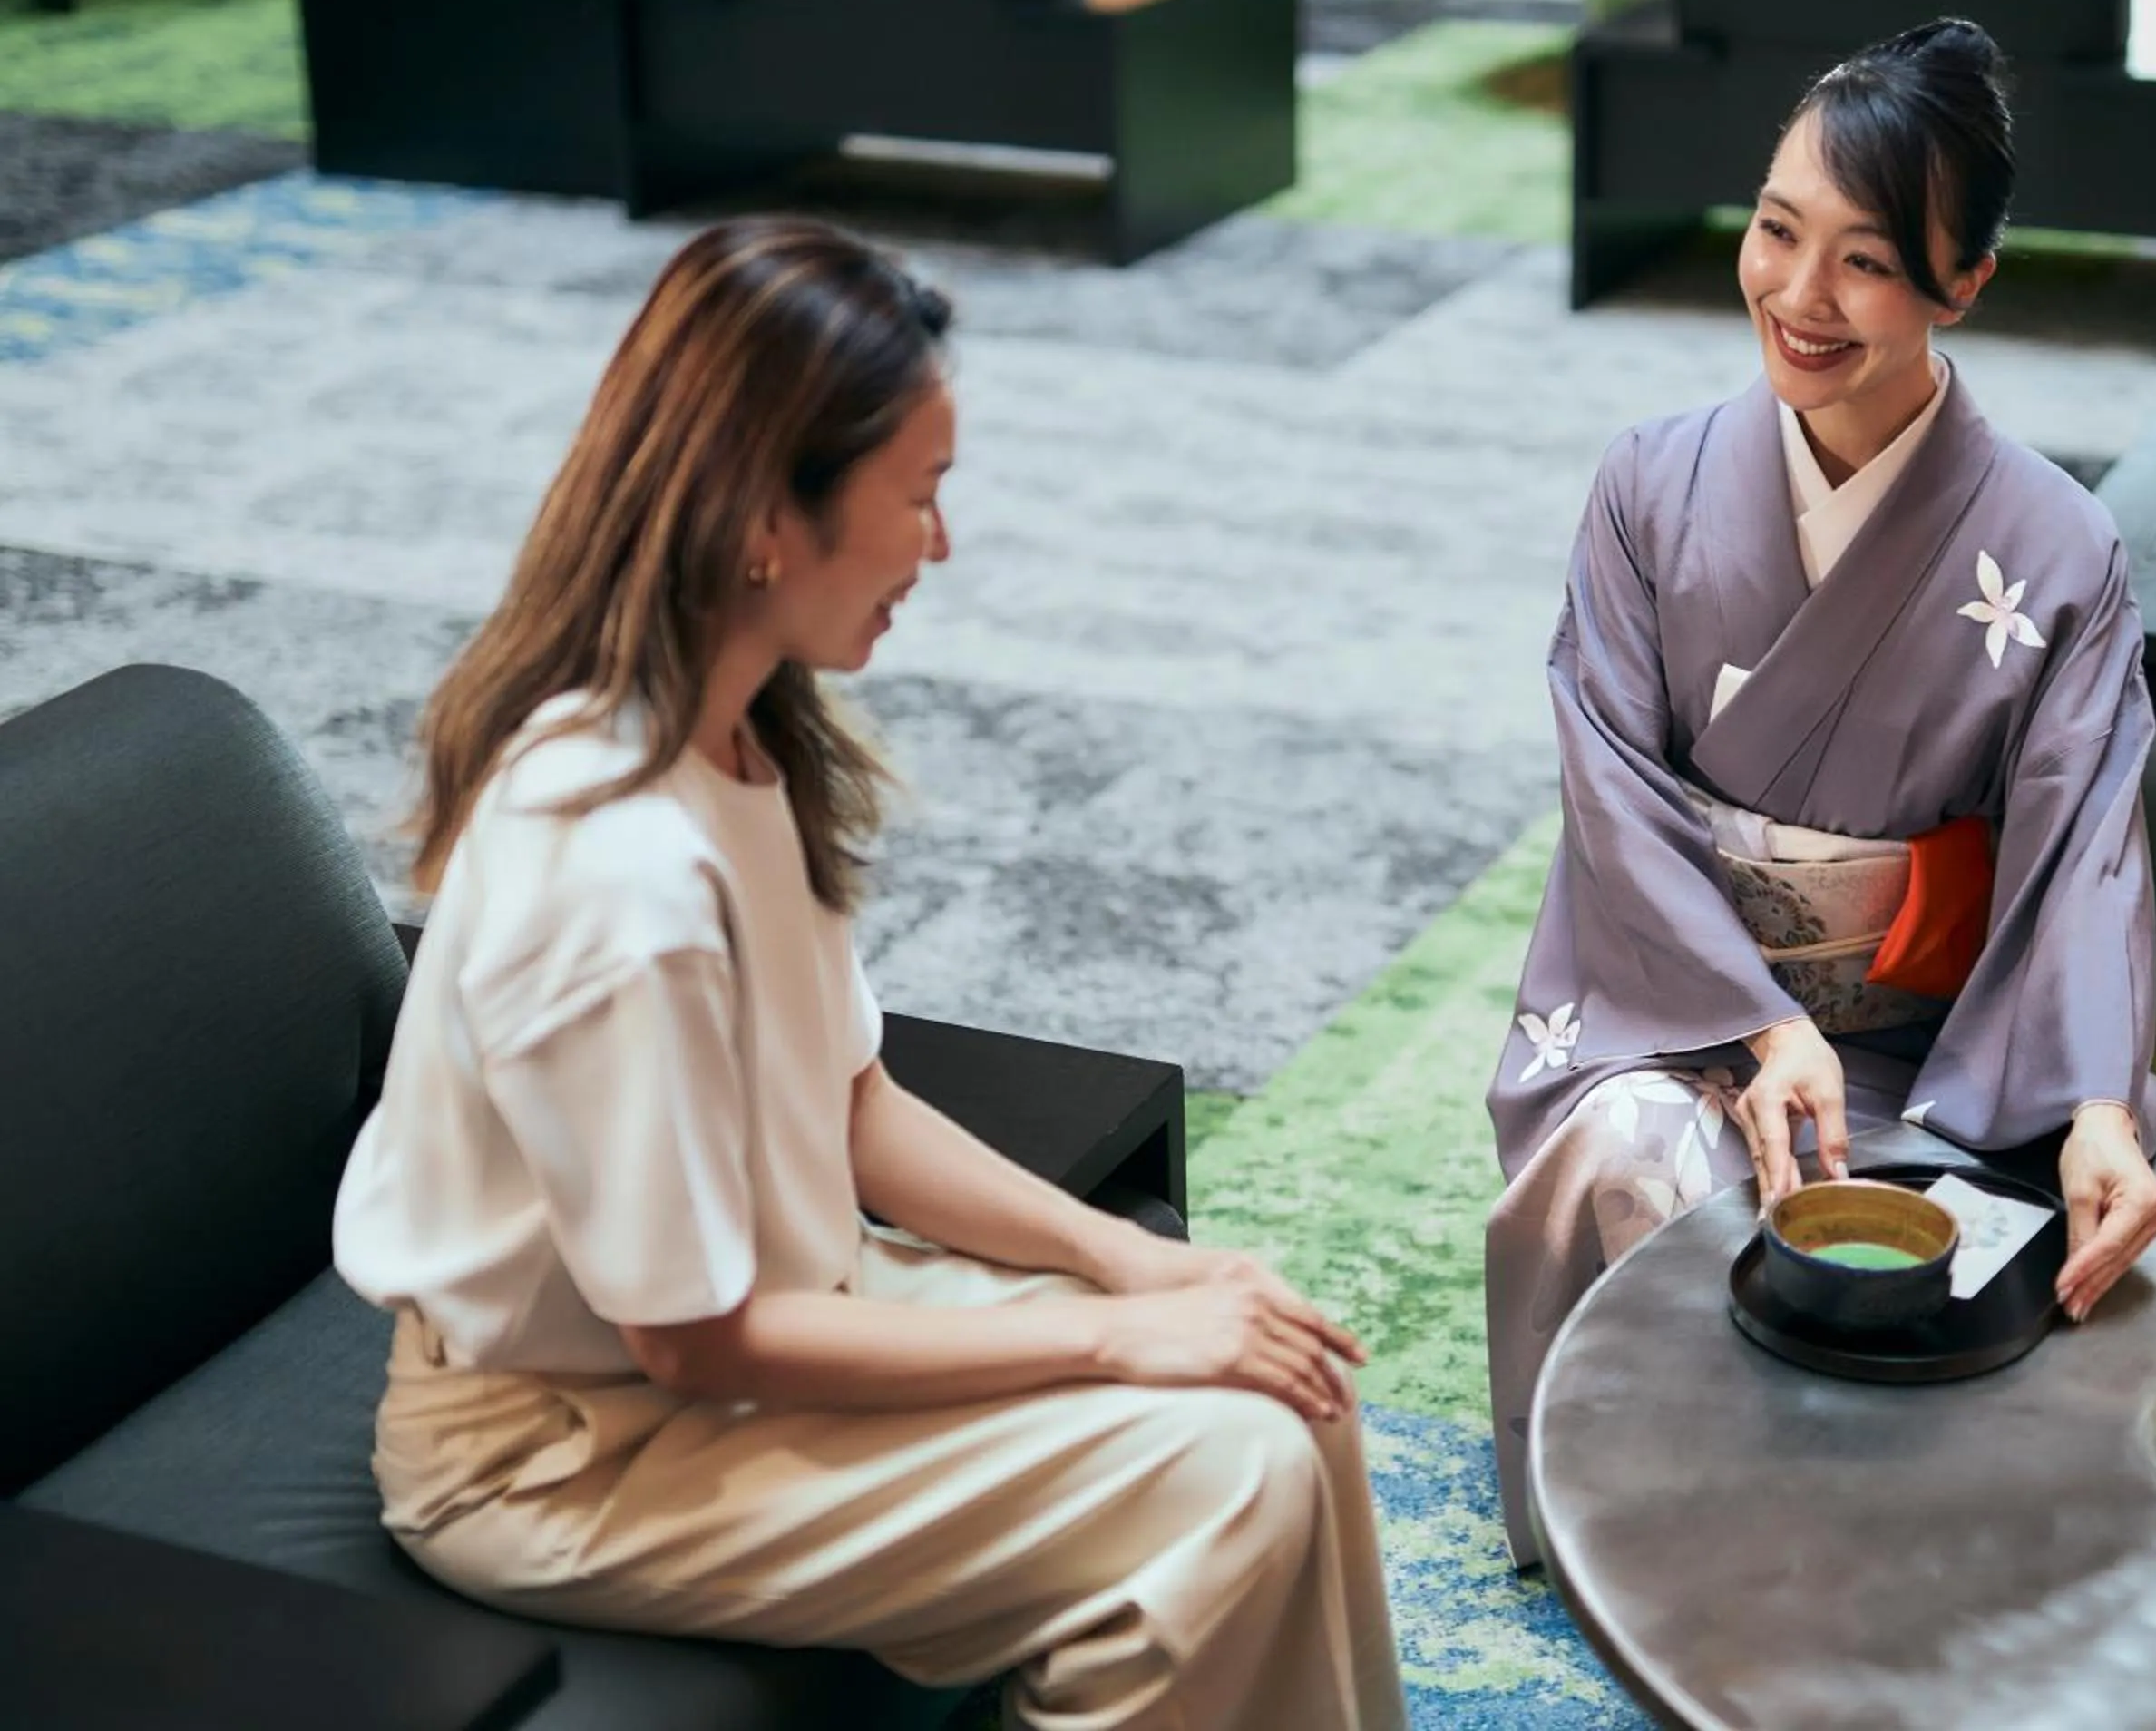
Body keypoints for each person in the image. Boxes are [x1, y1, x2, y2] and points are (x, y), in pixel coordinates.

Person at [332, 217, 1406, 1730]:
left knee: (1285, 1383)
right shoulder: (612, 875)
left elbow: (855, 1106)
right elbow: (691, 1343)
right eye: (923, 497)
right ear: (769, 514)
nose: (941, 545)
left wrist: (1137, 1264)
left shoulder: (747, 730)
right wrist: (1111, 1331)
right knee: (1220, 1486)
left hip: (777, 1312)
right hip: (569, 1449)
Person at [1483, 20, 2156, 1566]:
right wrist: (1761, 1021)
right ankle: (1631, 1544)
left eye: (1866, 262)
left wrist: (2097, 1106)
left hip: (1925, 1054)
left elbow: (2083, 852)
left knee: (1942, 1247)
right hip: (1683, 1010)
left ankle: (1811, 1560)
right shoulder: (1649, 484)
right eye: (1778, 229)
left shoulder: (2062, 552)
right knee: (1635, 1161)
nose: (1798, 297)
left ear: (1966, 284)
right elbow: (1609, 780)